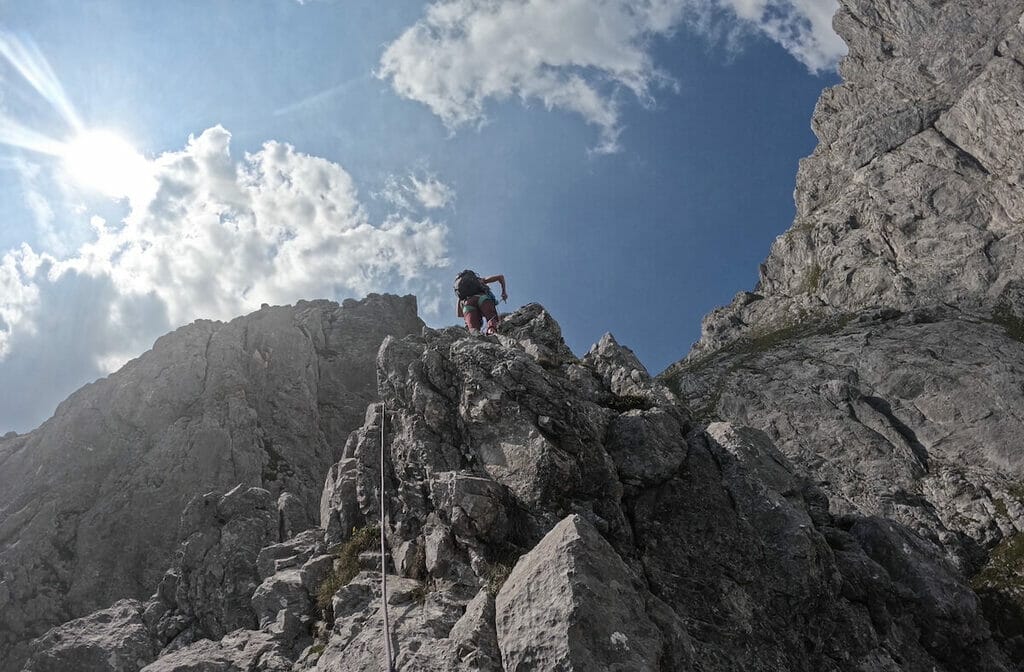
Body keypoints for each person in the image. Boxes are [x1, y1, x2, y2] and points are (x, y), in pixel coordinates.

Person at [454, 270, 507, 335]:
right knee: (491, 318)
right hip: (482, 298)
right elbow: (500, 277)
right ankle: (492, 330)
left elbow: (459, 314)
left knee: (473, 330)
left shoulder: (462, 295)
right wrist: (504, 292)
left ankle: (476, 337)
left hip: (467, 304)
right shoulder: (480, 281)